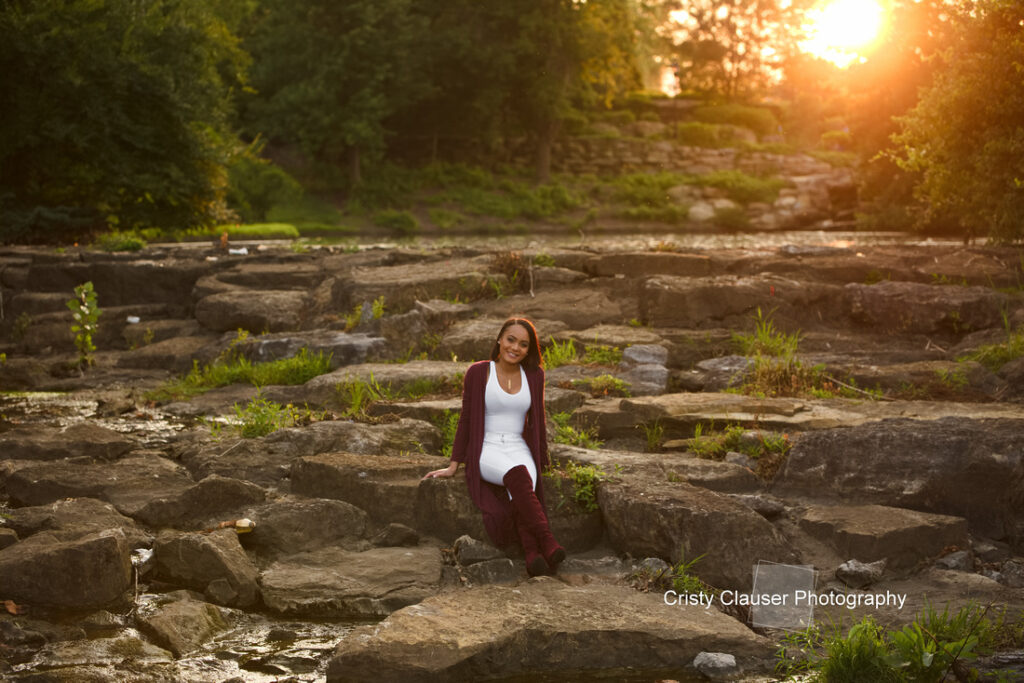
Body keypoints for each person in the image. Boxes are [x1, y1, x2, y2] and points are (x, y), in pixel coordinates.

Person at [423, 317, 565, 576]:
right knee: (519, 476)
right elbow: (466, 419)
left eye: (523, 344)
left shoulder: (534, 375)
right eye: (511, 339)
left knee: (521, 487)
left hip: (518, 446)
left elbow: (538, 419)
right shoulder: (479, 372)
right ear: (500, 339)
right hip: (486, 448)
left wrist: (543, 460)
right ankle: (547, 539)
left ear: (529, 350)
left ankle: (532, 555)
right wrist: (453, 464)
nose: (515, 348)